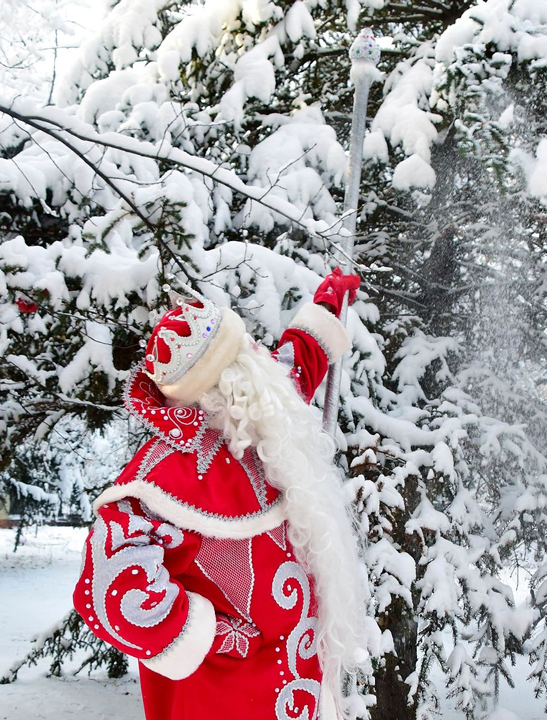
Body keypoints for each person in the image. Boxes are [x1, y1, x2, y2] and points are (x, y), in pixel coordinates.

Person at [73, 269, 367, 720]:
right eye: (247, 350)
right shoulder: (165, 471)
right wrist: (202, 633)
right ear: (233, 379)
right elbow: (108, 586)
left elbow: (296, 363)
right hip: (221, 699)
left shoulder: (263, 420)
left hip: (300, 683)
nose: (261, 354)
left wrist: (325, 309)